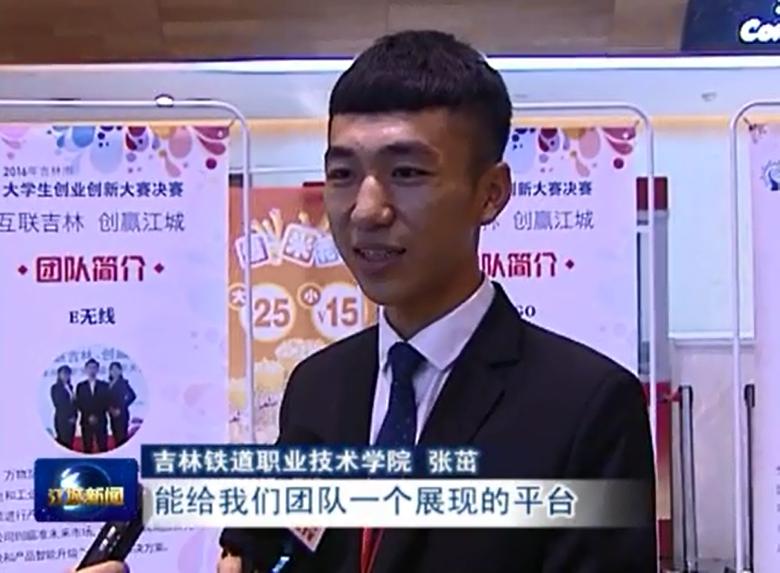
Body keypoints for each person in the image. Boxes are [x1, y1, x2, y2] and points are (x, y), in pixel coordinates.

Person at [78, 29, 656, 573]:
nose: (366, 209)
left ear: (491, 193)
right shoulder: (318, 387)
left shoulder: (587, 406)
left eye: (406, 172)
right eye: (342, 174)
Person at [75, 358, 111, 453]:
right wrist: (89, 416)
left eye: (94, 368)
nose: (92, 370)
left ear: (98, 370)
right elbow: (79, 403)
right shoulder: (80, 386)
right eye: (90, 368)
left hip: (101, 420)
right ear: (86, 370)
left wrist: (96, 416)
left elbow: (106, 402)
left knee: (103, 447)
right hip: (86, 421)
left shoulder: (104, 385)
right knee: (87, 447)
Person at [107, 361, 137, 447]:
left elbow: (133, 396)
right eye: (112, 369)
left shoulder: (123, 382)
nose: (114, 372)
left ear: (120, 371)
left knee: (122, 438)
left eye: (117, 369)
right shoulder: (108, 384)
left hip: (122, 414)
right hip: (112, 414)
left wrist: (121, 407)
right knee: (116, 436)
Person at [50, 364, 77, 449]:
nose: (66, 376)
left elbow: (73, 404)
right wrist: (69, 417)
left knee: (70, 443)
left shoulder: (70, 387)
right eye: (64, 373)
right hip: (62, 419)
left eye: (68, 373)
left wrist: (74, 416)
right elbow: (59, 404)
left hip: (72, 420)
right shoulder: (55, 388)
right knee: (63, 443)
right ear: (59, 375)